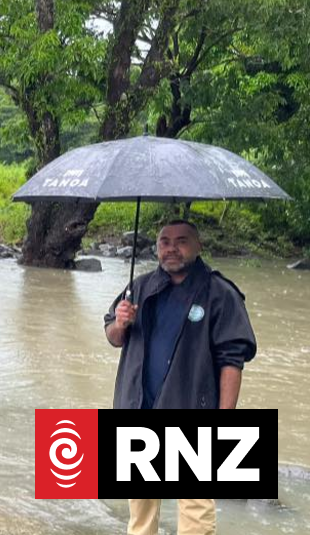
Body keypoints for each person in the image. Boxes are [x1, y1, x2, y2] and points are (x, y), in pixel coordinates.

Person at [103, 219, 257, 535]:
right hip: (139, 407)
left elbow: (233, 359)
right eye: (164, 241)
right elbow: (113, 337)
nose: (171, 248)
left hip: (193, 411)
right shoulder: (139, 287)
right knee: (141, 509)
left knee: (196, 509)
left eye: (181, 240)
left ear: (199, 246)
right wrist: (121, 322)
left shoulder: (220, 293)